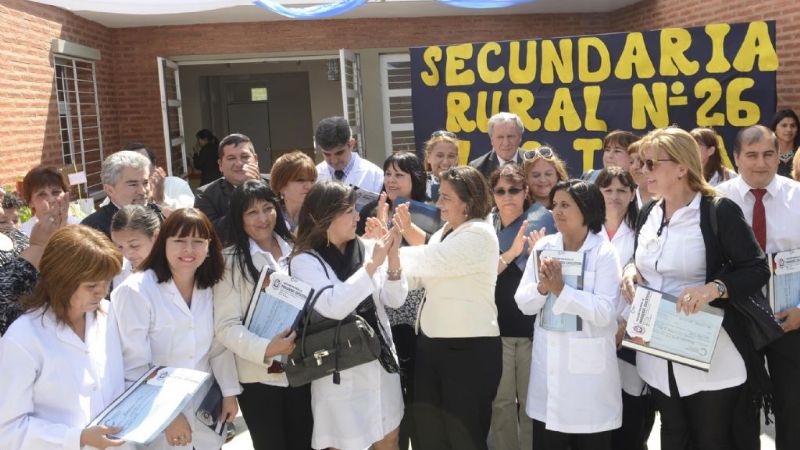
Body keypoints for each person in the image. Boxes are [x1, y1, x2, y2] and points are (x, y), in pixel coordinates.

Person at [621, 127, 770, 450]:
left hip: (710, 352)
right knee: (673, 436)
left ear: (681, 167)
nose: (641, 170)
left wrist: (712, 289)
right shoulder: (649, 211)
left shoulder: (718, 210)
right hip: (658, 352)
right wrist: (631, 271)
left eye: (650, 163)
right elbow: (643, 260)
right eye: (640, 163)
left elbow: (756, 268)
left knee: (712, 440)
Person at [288, 181, 407, 450]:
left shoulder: (366, 247)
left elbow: (395, 299)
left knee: (389, 438)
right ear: (325, 216)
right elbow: (333, 306)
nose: (358, 217)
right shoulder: (304, 261)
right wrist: (373, 264)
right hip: (338, 370)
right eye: (350, 211)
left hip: (380, 363)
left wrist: (394, 255)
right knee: (345, 444)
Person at [111, 208, 241, 450]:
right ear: (163, 241)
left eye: (198, 242)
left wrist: (229, 392)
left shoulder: (210, 286)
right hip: (155, 416)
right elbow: (135, 365)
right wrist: (168, 416)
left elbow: (218, 348)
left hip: (205, 413)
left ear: (209, 245)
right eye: (179, 241)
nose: (188, 250)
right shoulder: (135, 291)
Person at [398, 166, 501, 450]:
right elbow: (417, 276)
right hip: (432, 347)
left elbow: (429, 261)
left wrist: (378, 252)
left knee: (464, 438)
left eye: (445, 197)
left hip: (469, 352)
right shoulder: (444, 232)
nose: (438, 204)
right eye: (438, 196)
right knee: (432, 438)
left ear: (467, 202)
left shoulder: (480, 234)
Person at [514, 180, 622, 450]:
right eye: (555, 205)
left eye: (565, 205)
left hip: (589, 384)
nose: (557, 211)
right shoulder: (544, 248)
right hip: (549, 378)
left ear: (586, 209)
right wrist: (542, 287)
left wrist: (562, 290)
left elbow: (606, 313)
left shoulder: (604, 252)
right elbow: (523, 302)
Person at [0, 225, 127, 449]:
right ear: (60, 281)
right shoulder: (23, 338)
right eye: (91, 286)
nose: (102, 291)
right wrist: (77, 438)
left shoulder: (110, 315)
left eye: (106, 282)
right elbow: (7, 430)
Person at [717, 125, 800, 450]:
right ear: (736, 157)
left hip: (790, 320)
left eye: (768, 154)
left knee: (793, 412)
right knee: (740, 413)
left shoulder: (798, 197)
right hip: (737, 322)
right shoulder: (717, 201)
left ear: (779, 155)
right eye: (751, 155)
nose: (761, 163)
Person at [213, 180, 309, 450]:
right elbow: (226, 327)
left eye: (268, 208)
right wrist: (267, 348)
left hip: (303, 369)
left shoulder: (298, 249)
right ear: (238, 218)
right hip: (259, 377)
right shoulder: (230, 262)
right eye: (251, 212)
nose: (263, 218)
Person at [361, 151, 429, 450]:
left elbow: (432, 247)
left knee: (418, 394)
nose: (391, 180)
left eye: (399, 174)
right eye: (388, 173)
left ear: (415, 178)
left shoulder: (430, 210)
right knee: (389, 398)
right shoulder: (369, 210)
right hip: (383, 313)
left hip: (419, 316)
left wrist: (403, 227)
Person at [487, 164, 554, 450]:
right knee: (500, 403)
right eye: (500, 191)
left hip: (533, 331)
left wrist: (541, 254)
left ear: (526, 192)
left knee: (531, 403)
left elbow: (555, 281)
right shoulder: (484, 228)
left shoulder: (544, 225)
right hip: (495, 330)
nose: (507, 196)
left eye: (514, 189)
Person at [596, 167, 655, 450]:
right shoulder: (586, 231)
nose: (615, 196)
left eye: (622, 190)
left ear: (633, 194)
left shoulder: (644, 232)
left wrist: (625, 324)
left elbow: (650, 282)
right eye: (607, 190)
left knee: (631, 406)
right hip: (594, 332)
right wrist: (607, 324)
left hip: (632, 335)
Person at [0, 195, 67, 336]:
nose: (2, 193)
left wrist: (54, 243)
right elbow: (5, 293)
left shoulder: (16, 235)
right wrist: (38, 247)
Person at [195, 133, 267, 245]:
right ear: (220, 165)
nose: (239, 163)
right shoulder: (205, 195)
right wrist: (244, 193)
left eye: (245, 157)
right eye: (231, 158)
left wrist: (258, 187)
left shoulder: (275, 184)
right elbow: (214, 235)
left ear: (256, 159)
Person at [82, 151, 164, 238]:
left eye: (145, 182)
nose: (142, 191)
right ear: (110, 190)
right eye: (133, 184)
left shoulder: (157, 214)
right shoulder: (92, 229)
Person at [313, 116, 383, 192]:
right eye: (327, 154)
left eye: (339, 153)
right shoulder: (314, 176)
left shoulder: (375, 175)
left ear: (351, 144)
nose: (334, 161)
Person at [124, 142, 194, 213]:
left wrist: (161, 200)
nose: (138, 168)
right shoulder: (122, 190)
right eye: (132, 163)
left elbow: (189, 218)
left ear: (154, 164)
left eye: (143, 162)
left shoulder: (176, 184)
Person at [19, 165, 81, 236]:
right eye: (42, 194)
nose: (51, 200)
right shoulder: (23, 233)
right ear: (30, 202)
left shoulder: (80, 227)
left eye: (56, 192)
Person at [110, 205, 160, 287]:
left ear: (156, 236)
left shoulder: (176, 268)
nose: (127, 254)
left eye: (134, 245)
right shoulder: (121, 271)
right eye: (120, 247)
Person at [269, 150, 318, 234]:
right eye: (300, 180)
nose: (309, 186)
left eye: (312, 180)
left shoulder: (321, 216)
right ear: (281, 185)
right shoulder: (270, 217)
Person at [469, 112, 526, 179]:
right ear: (492, 140)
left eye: (510, 136)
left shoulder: (533, 161)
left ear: (520, 137)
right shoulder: (477, 168)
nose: (506, 143)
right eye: (500, 137)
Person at [423, 130, 460, 201]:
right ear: (428, 157)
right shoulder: (418, 186)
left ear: (456, 159)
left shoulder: (466, 186)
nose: (445, 162)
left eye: (451, 156)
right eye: (440, 156)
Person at [770, 109, 800, 177]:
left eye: (793, 126)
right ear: (775, 129)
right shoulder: (767, 154)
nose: (789, 129)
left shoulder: (799, 154)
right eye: (784, 125)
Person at [627, 141, 655, 206]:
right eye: (631, 162)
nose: (635, 167)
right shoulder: (624, 198)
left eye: (642, 161)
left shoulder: (671, 199)